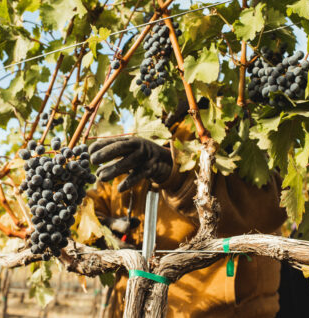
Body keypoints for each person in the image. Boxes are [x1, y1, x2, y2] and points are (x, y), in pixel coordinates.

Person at [86, 100, 287, 318]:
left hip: (221, 312)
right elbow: (96, 203)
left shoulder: (229, 116)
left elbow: (272, 205)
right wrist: (97, 230)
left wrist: (180, 177)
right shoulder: (140, 134)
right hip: (131, 308)